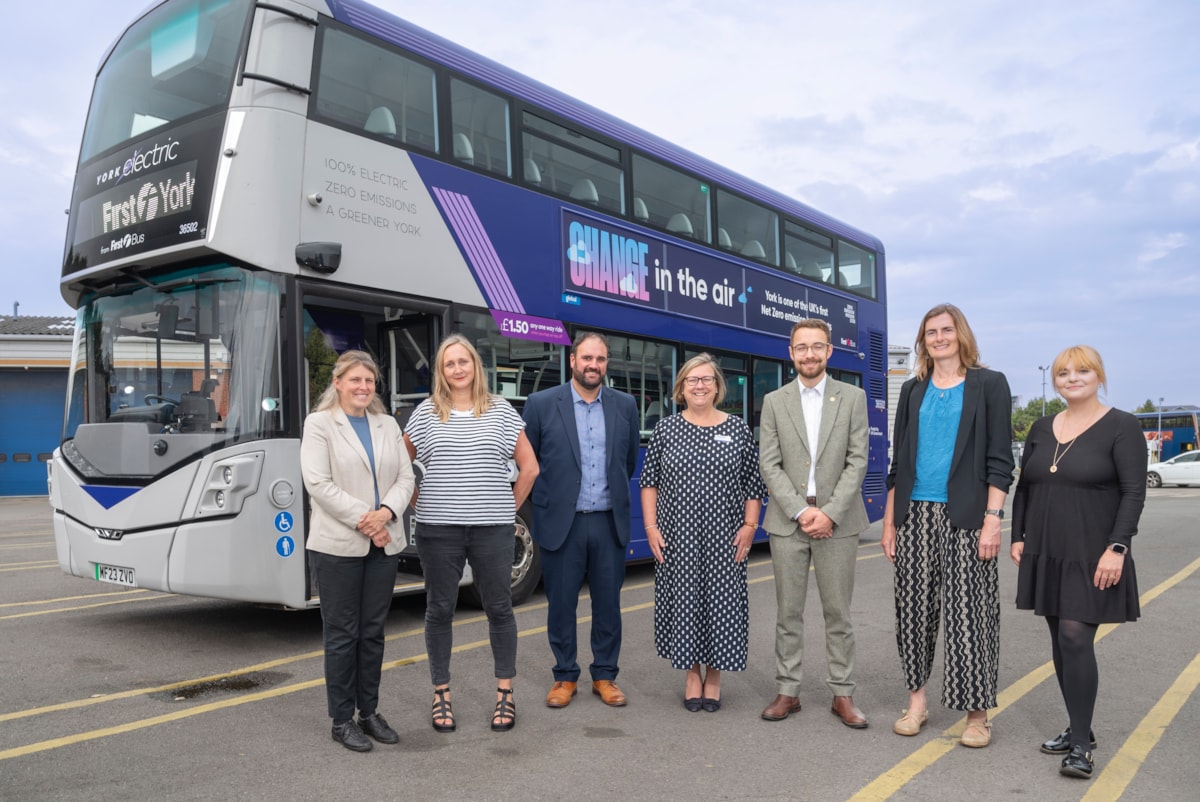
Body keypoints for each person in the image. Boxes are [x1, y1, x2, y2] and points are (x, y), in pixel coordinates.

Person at [881, 303, 1014, 748]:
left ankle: (977, 716)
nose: (938, 338)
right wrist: (889, 523)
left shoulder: (989, 385)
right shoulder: (914, 390)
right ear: (923, 341)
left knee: (969, 616)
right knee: (913, 614)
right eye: (930, 332)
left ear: (961, 335)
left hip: (969, 517)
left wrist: (993, 521)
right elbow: (899, 464)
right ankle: (916, 703)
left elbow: (1000, 461)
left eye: (946, 330)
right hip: (914, 514)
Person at [1011, 345, 1144, 779]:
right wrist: (1018, 536)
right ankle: (1077, 727)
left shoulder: (1122, 426)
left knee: (1074, 636)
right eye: (1064, 372)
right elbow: (1026, 486)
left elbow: (1133, 492)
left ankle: (1082, 747)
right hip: (1046, 547)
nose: (1073, 378)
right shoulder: (1041, 426)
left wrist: (1118, 547)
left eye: (1082, 371)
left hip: (1094, 550)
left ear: (1099, 376)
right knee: (1058, 637)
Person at [403, 334, 539, 733]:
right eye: (449, 363)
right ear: (441, 372)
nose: (457, 369)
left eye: (463, 361)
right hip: (438, 531)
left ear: (475, 366)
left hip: (492, 530)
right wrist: (417, 502)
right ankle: (441, 693)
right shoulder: (426, 414)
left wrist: (505, 509)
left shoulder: (501, 412)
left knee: (499, 609)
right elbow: (399, 462)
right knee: (439, 610)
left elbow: (529, 468)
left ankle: (505, 694)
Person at [300, 350, 415, 752]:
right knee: (342, 635)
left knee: (372, 634)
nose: (363, 387)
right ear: (338, 383)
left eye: (368, 381)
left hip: (383, 542)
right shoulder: (319, 424)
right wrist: (368, 520)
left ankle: (369, 713)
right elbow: (318, 483)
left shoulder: (387, 425)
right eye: (355, 380)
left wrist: (385, 513)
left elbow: (405, 476)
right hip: (338, 547)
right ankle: (341, 719)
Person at [758, 319, 871, 727]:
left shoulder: (853, 397)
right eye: (801, 347)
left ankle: (843, 694)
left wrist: (830, 512)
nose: (809, 354)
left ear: (829, 352)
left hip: (838, 522)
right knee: (788, 613)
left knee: (838, 614)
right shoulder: (774, 400)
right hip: (789, 522)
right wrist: (802, 511)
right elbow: (769, 463)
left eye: (816, 347)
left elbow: (858, 460)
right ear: (791, 353)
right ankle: (788, 691)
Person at [639, 354, 766, 712]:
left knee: (721, 605)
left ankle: (714, 676)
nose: (699, 385)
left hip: (725, 537)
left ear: (717, 386)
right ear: (681, 387)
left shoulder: (737, 429)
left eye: (706, 379)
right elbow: (649, 484)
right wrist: (650, 527)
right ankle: (691, 673)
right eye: (692, 380)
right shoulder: (666, 430)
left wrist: (749, 526)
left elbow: (753, 485)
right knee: (685, 603)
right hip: (677, 536)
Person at [522, 332, 640, 708]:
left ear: (607, 363)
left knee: (608, 604)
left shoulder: (625, 405)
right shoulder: (541, 404)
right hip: (563, 522)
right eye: (587, 358)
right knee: (561, 604)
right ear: (573, 361)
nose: (594, 365)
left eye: (601, 359)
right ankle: (564, 676)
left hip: (608, 521)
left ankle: (605, 675)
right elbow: (531, 461)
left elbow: (627, 463)